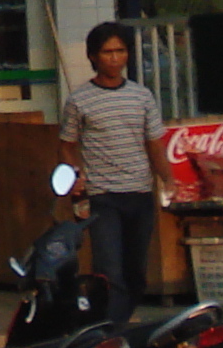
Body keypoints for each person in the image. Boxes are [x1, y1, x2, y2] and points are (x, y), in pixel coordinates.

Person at [60, 20, 165, 320]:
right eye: (107, 52)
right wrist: (74, 174)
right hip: (102, 196)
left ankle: (119, 321)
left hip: (140, 193)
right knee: (108, 270)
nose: (115, 58)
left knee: (136, 272)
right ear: (93, 56)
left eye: (120, 51)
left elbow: (155, 143)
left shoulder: (142, 96)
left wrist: (169, 180)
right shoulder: (79, 100)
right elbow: (67, 145)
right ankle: (109, 329)